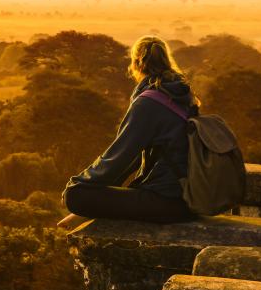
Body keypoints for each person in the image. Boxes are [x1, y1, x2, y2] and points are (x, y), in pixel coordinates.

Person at [57, 36, 198, 230]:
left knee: (76, 195)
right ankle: (83, 212)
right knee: (87, 193)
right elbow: (131, 161)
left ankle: (81, 203)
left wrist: (77, 185)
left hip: (166, 202)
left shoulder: (149, 102)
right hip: (188, 200)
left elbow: (118, 158)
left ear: (136, 64)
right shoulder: (183, 96)